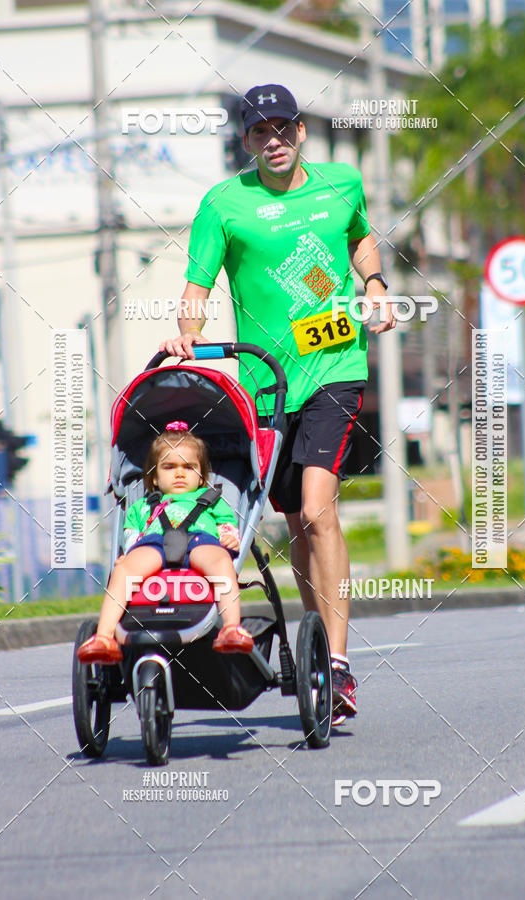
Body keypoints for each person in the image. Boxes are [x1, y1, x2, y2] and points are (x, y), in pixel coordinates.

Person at [160, 84, 395, 722]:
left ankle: (339, 667)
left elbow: (362, 238)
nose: (275, 140)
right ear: (246, 140)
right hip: (267, 383)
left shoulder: (342, 183)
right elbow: (197, 283)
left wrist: (373, 284)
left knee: (318, 508)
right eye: (261, 131)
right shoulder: (224, 204)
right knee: (294, 521)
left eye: (284, 128)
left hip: (336, 367)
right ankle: (317, 644)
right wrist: (188, 331)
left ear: (301, 132)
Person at [77, 422, 254, 664]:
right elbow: (132, 534)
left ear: (201, 476)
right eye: (169, 467)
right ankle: (104, 636)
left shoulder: (213, 501)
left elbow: (226, 524)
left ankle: (231, 628)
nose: (179, 473)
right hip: (153, 542)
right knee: (125, 570)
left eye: (189, 467)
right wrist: (127, 553)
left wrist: (229, 536)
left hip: (202, 540)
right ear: (155, 477)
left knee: (221, 564)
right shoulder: (142, 505)